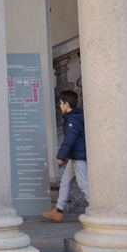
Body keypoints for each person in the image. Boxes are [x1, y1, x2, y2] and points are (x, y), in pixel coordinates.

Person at [43, 89, 88, 221]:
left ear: (67, 104)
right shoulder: (75, 117)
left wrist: (61, 156)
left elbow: (69, 139)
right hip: (75, 156)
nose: (59, 106)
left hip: (78, 156)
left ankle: (97, 207)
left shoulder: (72, 119)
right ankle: (58, 209)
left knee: (83, 184)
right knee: (65, 181)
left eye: (61, 103)